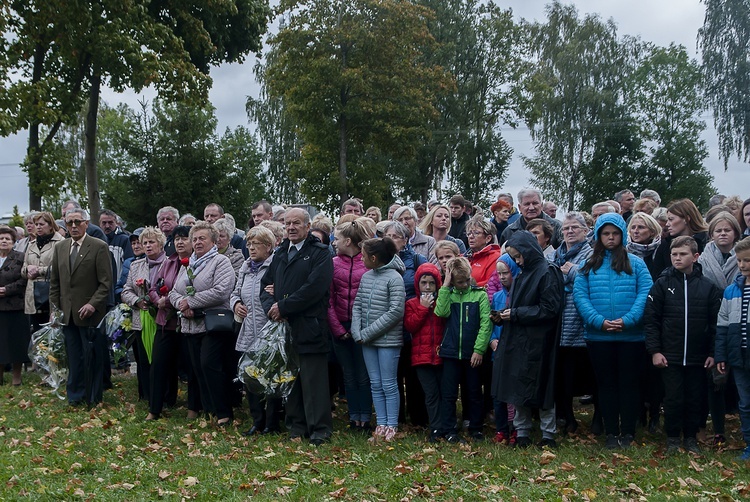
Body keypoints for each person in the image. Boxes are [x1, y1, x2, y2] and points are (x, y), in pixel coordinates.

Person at [573, 213, 653, 449]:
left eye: (615, 233)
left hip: (631, 336)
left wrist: (628, 320)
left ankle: (627, 431)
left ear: (622, 235)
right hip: (599, 336)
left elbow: (645, 293)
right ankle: (610, 432)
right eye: (606, 233)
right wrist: (598, 321)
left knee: (629, 383)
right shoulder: (588, 265)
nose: (610, 238)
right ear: (598, 236)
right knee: (606, 384)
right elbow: (581, 296)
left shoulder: (636, 263)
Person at [260, 208, 334, 445]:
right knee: (290, 378)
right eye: (287, 224)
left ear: (307, 226)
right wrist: (272, 307)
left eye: (296, 223)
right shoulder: (281, 252)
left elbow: (314, 288)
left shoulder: (320, 253)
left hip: (310, 325)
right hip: (284, 327)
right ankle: (296, 427)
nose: (291, 227)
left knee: (314, 381)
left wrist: (284, 306)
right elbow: (265, 285)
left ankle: (319, 429)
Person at [645, 236, 722, 454]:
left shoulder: (708, 288)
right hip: (670, 355)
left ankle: (690, 437)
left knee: (694, 398)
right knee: (673, 398)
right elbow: (652, 320)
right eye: (674, 254)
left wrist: (713, 352)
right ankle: (672, 437)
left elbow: (715, 323)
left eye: (683, 254)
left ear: (695, 257)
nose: (677, 258)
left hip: (698, 357)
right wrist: (655, 350)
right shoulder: (662, 284)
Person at [492, 231, 563, 448]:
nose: (517, 261)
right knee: (517, 384)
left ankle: (548, 434)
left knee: (544, 385)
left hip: (541, 341)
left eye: (518, 256)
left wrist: (515, 314)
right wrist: (504, 315)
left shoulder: (548, 272)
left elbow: (549, 309)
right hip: (519, 338)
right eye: (514, 258)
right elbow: (520, 304)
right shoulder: (523, 274)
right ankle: (521, 432)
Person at [169, 221, 236, 425]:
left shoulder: (220, 262)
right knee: (197, 369)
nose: (197, 242)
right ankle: (209, 411)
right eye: (195, 239)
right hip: (190, 325)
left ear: (213, 241)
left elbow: (221, 291)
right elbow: (174, 291)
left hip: (212, 325)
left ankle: (224, 412)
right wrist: (181, 304)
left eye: (202, 238)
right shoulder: (188, 264)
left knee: (210, 365)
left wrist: (191, 302)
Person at [49, 208, 112, 406]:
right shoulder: (60, 248)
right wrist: (55, 310)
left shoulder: (99, 246)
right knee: (74, 357)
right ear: (65, 225)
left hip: (90, 313)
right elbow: (55, 283)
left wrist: (93, 304)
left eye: (78, 222)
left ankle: (94, 396)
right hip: (67, 314)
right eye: (70, 223)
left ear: (86, 223)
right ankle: (76, 396)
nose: (74, 226)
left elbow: (105, 283)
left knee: (91, 356)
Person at [351, 237, 406, 442]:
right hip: (367, 341)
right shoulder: (366, 277)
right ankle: (381, 423)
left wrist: (367, 333)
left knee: (388, 383)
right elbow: (358, 305)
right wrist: (357, 331)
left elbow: (395, 312)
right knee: (375, 383)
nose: (362, 258)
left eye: (364, 255)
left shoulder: (394, 278)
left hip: (388, 341)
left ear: (374, 258)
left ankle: (392, 424)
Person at [434, 256, 491, 443]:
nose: (465, 284)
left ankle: (476, 427)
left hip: (471, 353)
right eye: (460, 282)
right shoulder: (448, 294)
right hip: (450, 352)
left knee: (474, 391)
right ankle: (448, 428)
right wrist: (446, 286)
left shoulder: (479, 294)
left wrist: (479, 349)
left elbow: (485, 324)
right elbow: (441, 312)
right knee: (449, 393)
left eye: (467, 279)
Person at [232, 226, 281, 435]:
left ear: (268, 247)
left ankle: (272, 423)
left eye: (256, 244)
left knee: (271, 377)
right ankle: (257, 421)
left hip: (269, 330)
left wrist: (279, 291)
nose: (251, 248)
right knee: (250, 376)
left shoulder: (275, 266)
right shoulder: (245, 267)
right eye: (249, 244)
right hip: (248, 329)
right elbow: (234, 293)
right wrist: (235, 305)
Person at [381, 220, 429, 426]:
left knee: (414, 375)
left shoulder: (418, 260)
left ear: (405, 240)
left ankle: (418, 418)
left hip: (413, 323)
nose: (390, 241)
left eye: (395, 237)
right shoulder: (378, 262)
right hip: (389, 326)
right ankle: (396, 417)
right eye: (387, 237)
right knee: (393, 374)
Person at [328, 218, 373, 433]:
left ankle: (365, 417)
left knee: (363, 374)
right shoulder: (333, 264)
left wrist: (362, 329)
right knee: (348, 374)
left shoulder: (368, 264)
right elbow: (328, 299)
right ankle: (354, 417)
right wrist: (338, 328)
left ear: (348, 240)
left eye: (336, 239)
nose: (334, 242)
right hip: (340, 324)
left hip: (363, 327)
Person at [551, 212, 594, 435]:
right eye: (566, 228)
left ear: (585, 231)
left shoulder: (592, 253)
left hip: (579, 318)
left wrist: (573, 272)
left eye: (574, 228)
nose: (569, 231)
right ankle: (564, 415)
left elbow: (593, 279)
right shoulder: (556, 254)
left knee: (580, 372)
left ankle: (585, 418)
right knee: (560, 372)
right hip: (559, 319)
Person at [143, 226, 189, 420]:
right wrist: (157, 300)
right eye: (176, 239)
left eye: (184, 238)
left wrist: (168, 300)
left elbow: (189, 290)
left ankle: (194, 407)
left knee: (190, 368)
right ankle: (155, 409)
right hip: (166, 323)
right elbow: (154, 287)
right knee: (158, 365)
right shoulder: (169, 262)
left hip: (187, 322)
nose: (179, 242)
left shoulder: (195, 263)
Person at [121, 227, 168, 403]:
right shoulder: (135, 265)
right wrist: (137, 301)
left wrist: (158, 300)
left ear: (161, 244)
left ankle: (165, 396)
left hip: (163, 319)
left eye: (151, 242)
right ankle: (147, 394)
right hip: (140, 318)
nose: (147, 246)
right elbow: (126, 290)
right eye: (145, 243)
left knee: (161, 359)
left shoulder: (170, 263)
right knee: (143, 359)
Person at [715, 236, 750, 461]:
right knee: (745, 403)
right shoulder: (731, 291)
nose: (743, 265)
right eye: (739, 261)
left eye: (747, 260)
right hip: (739, 357)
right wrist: (721, 354)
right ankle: (749, 443)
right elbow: (723, 325)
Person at [404, 263, 447, 443]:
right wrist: (422, 308)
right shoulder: (412, 304)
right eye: (424, 283)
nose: (428, 287)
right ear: (417, 284)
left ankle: (447, 425)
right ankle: (435, 427)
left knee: (444, 392)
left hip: (441, 355)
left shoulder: (442, 302)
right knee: (431, 394)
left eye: (431, 283)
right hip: (421, 357)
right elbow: (410, 326)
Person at [488, 255, 520, 444]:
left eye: (505, 273)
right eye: (498, 274)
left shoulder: (520, 296)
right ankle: (501, 429)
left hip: (515, 351)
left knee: (513, 394)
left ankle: (515, 428)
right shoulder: (497, 296)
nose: (502, 277)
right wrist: (492, 340)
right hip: (498, 351)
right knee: (498, 392)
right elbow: (492, 322)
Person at [22, 212, 64, 334]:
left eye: (41, 224)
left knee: (53, 334)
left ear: (51, 225)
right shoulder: (32, 244)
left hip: (51, 293)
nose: (38, 227)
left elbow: (62, 268)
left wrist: (39, 270)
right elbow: (23, 268)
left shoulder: (60, 243)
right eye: (36, 224)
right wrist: (27, 270)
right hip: (33, 296)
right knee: (36, 333)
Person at [0, 226, 28, 386]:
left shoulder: (20, 257)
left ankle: (17, 376)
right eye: (1, 238)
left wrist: (6, 289)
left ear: (13, 241)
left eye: (7, 239)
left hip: (15, 306)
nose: (3, 241)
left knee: (16, 342)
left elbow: (24, 280)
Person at [652, 198, 709, 276]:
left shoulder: (706, 243)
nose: (667, 224)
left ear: (686, 219)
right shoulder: (665, 245)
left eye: (671, 219)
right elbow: (657, 276)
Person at [464, 216, 501, 287]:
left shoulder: (495, 257)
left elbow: (490, 283)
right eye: (469, 233)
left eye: (476, 233)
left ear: (488, 238)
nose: (471, 236)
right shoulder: (464, 257)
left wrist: (466, 286)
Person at [99, 209, 133, 280]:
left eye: (110, 222)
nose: (107, 226)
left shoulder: (124, 240)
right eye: (104, 223)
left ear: (116, 223)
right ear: (99, 223)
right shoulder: (96, 240)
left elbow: (129, 265)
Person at [626, 212, 663, 280]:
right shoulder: (624, 251)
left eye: (641, 227)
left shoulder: (662, 249)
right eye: (633, 227)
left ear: (652, 231)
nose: (636, 231)